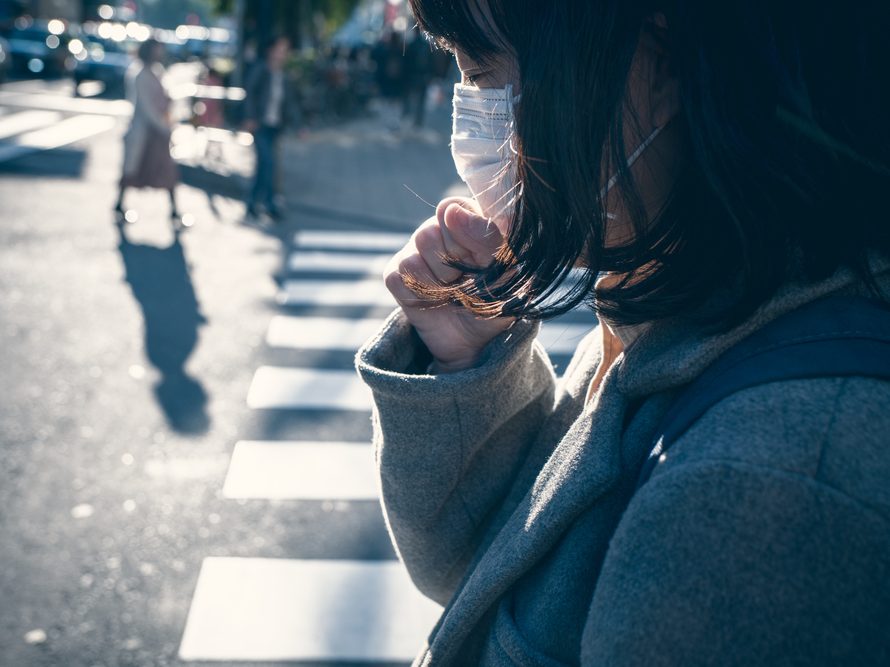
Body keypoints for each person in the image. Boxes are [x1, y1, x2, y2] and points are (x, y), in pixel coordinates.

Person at [356, 2, 890, 665]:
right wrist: (467, 362)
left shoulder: (759, 493)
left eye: (483, 68)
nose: (476, 111)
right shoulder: (674, 316)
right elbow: (496, 575)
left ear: (663, 60)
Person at [116, 39, 185, 226]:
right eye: (156, 51)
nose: (159, 54)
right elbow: (147, 108)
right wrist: (164, 127)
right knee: (136, 171)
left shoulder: (156, 72)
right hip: (147, 132)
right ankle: (119, 205)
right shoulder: (140, 75)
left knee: (166, 172)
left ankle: (174, 212)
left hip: (157, 132)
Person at [243, 36, 293, 221]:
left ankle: (251, 203)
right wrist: (250, 117)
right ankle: (270, 204)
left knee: (264, 166)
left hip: (275, 126)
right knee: (269, 164)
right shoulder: (262, 70)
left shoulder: (283, 75)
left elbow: (289, 103)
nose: (283, 54)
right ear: (271, 51)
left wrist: (297, 124)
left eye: (285, 50)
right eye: (280, 49)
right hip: (260, 125)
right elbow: (250, 94)